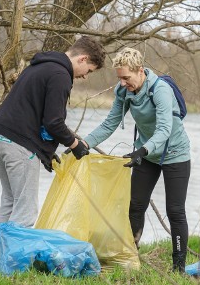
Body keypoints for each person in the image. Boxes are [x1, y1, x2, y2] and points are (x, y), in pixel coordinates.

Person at [0, 36, 106, 267]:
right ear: (83, 58)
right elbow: (53, 123)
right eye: (88, 70)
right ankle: (10, 263)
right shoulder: (61, 75)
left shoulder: (41, 66)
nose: (84, 76)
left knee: (10, 200)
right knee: (26, 208)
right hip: (17, 142)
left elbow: (34, 115)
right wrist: (75, 145)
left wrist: (45, 152)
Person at [82, 47, 191, 273]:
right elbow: (109, 124)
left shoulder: (160, 90)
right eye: (119, 78)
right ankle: (130, 258)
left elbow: (164, 129)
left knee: (175, 211)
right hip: (148, 155)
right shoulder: (124, 93)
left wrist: (141, 150)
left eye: (126, 78)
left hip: (175, 154)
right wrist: (84, 144)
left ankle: (178, 266)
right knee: (135, 205)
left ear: (140, 71)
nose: (122, 83)